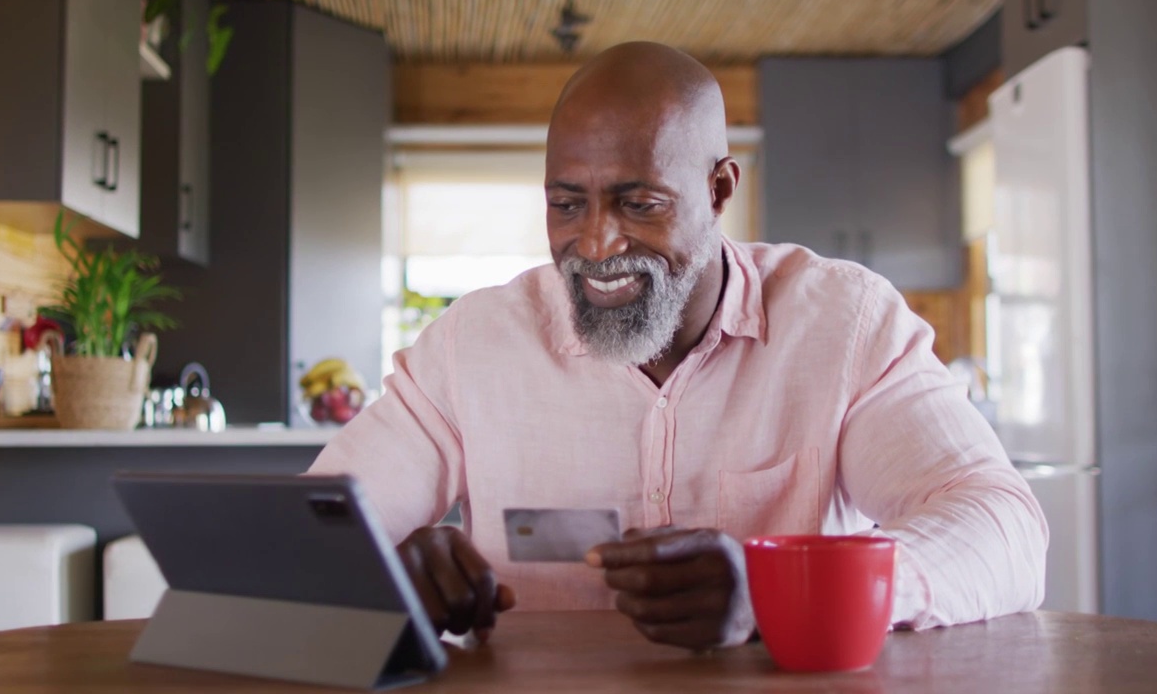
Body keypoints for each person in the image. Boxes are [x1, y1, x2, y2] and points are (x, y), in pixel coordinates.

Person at [309, 41, 1047, 650]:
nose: (595, 243)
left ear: (720, 190)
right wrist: (381, 575)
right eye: (567, 204)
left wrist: (775, 594)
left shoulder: (843, 325)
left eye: (640, 204)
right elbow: (309, 532)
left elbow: (1003, 528)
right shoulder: (471, 346)